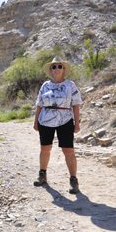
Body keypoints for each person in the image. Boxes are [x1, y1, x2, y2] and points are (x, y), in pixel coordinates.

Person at [33, 57, 83, 193]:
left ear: (63, 69)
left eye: (59, 66)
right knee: (45, 148)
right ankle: (42, 175)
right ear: (51, 70)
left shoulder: (70, 85)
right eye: (54, 67)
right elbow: (39, 104)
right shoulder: (45, 86)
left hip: (65, 120)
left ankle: (74, 181)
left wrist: (77, 123)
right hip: (45, 120)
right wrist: (35, 121)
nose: (57, 69)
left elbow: (76, 104)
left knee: (68, 150)